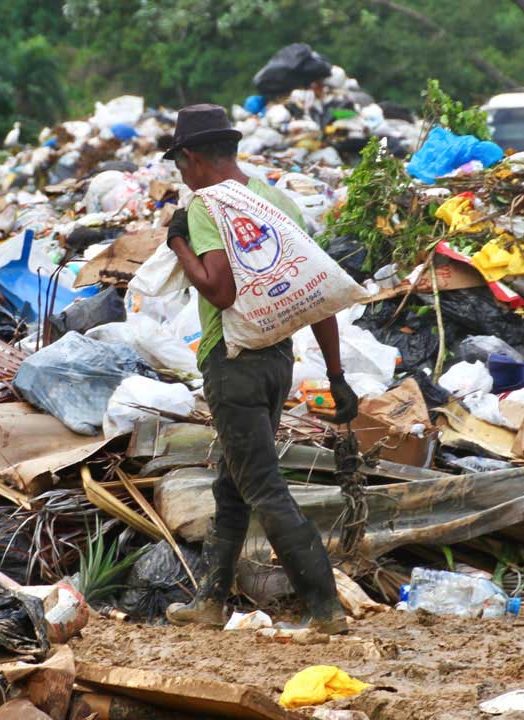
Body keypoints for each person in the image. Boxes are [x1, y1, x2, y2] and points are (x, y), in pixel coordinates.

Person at [159, 104, 356, 635]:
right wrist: (336, 375)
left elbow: (219, 290)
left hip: (234, 365)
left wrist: (178, 240)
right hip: (276, 363)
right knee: (233, 481)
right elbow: (313, 292)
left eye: (181, 165)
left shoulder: (208, 205)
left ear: (195, 158)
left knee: (264, 487)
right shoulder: (273, 200)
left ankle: (325, 606)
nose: (183, 176)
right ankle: (211, 601)